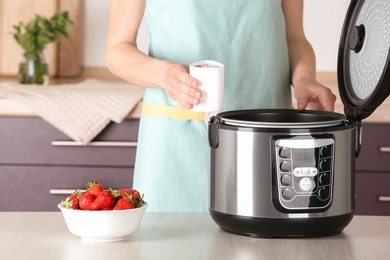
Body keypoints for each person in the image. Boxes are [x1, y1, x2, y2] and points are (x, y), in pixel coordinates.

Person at [106, 0, 336, 212]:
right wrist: (163, 75)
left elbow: (294, 38)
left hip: (264, 140)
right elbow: (118, 48)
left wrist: (304, 80)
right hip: (175, 147)